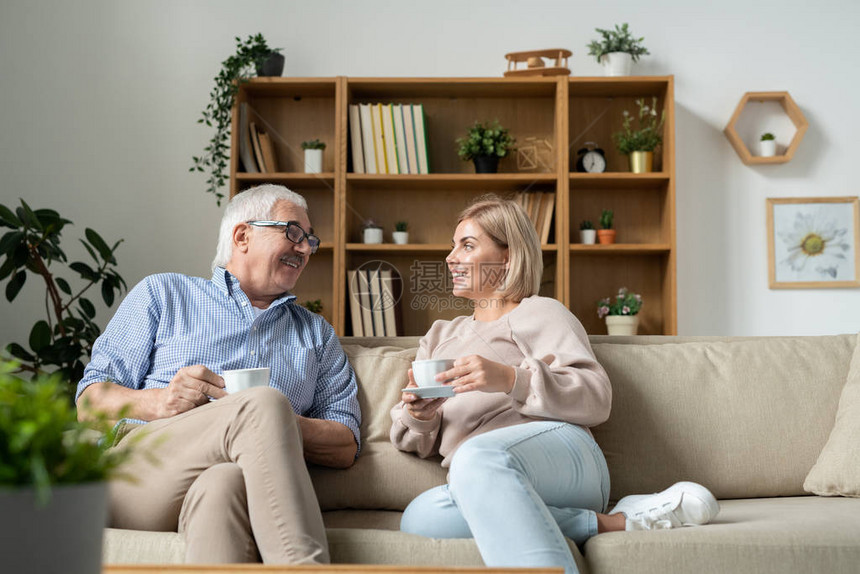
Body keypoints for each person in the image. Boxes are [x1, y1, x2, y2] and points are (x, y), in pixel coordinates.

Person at [390, 195, 718, 574]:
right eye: (453, 246)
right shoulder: (440, 335)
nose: (450, 258)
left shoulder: (540, 312)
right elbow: (413, 438)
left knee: (476, 457)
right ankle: (613, 522)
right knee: (421, 517)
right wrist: (419, 415)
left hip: (565, 456)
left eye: (467, 245)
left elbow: (596, 398)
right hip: (480, 478)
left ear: (507, 257)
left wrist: (510, 379)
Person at [76, 184, 360, 565]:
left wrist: (275, 423)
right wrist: (161, 401)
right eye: (293, 232)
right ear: (242, 236)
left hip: (230, 483)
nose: (305, 248)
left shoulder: (316, 333)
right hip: (142, 476)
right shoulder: (163, 294)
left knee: (225, 481)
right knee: (260, 404)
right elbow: (89, 404)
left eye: (310, 239)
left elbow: (345, 445)